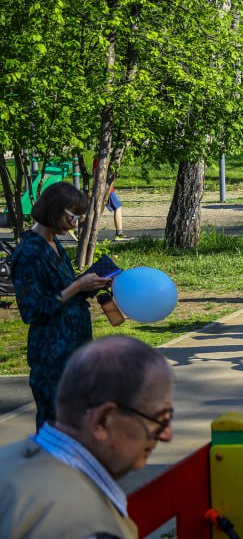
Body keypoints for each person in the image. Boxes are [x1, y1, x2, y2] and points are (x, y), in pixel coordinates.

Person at [0, 336, 175, 538]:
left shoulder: (8, 460)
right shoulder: (90, 528)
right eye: (159, 419)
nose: (167, 435)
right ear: (103, 421)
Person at [13, 183, 118, 429]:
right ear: (54, 210)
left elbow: (64, 290)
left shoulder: (54, 244)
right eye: (72, 215)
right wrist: (77, 286)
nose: (75, 222)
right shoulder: (28, 252)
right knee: (57, 422)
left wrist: (92, 284)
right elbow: (32, 311)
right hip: (52, 353)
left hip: (76, 346)